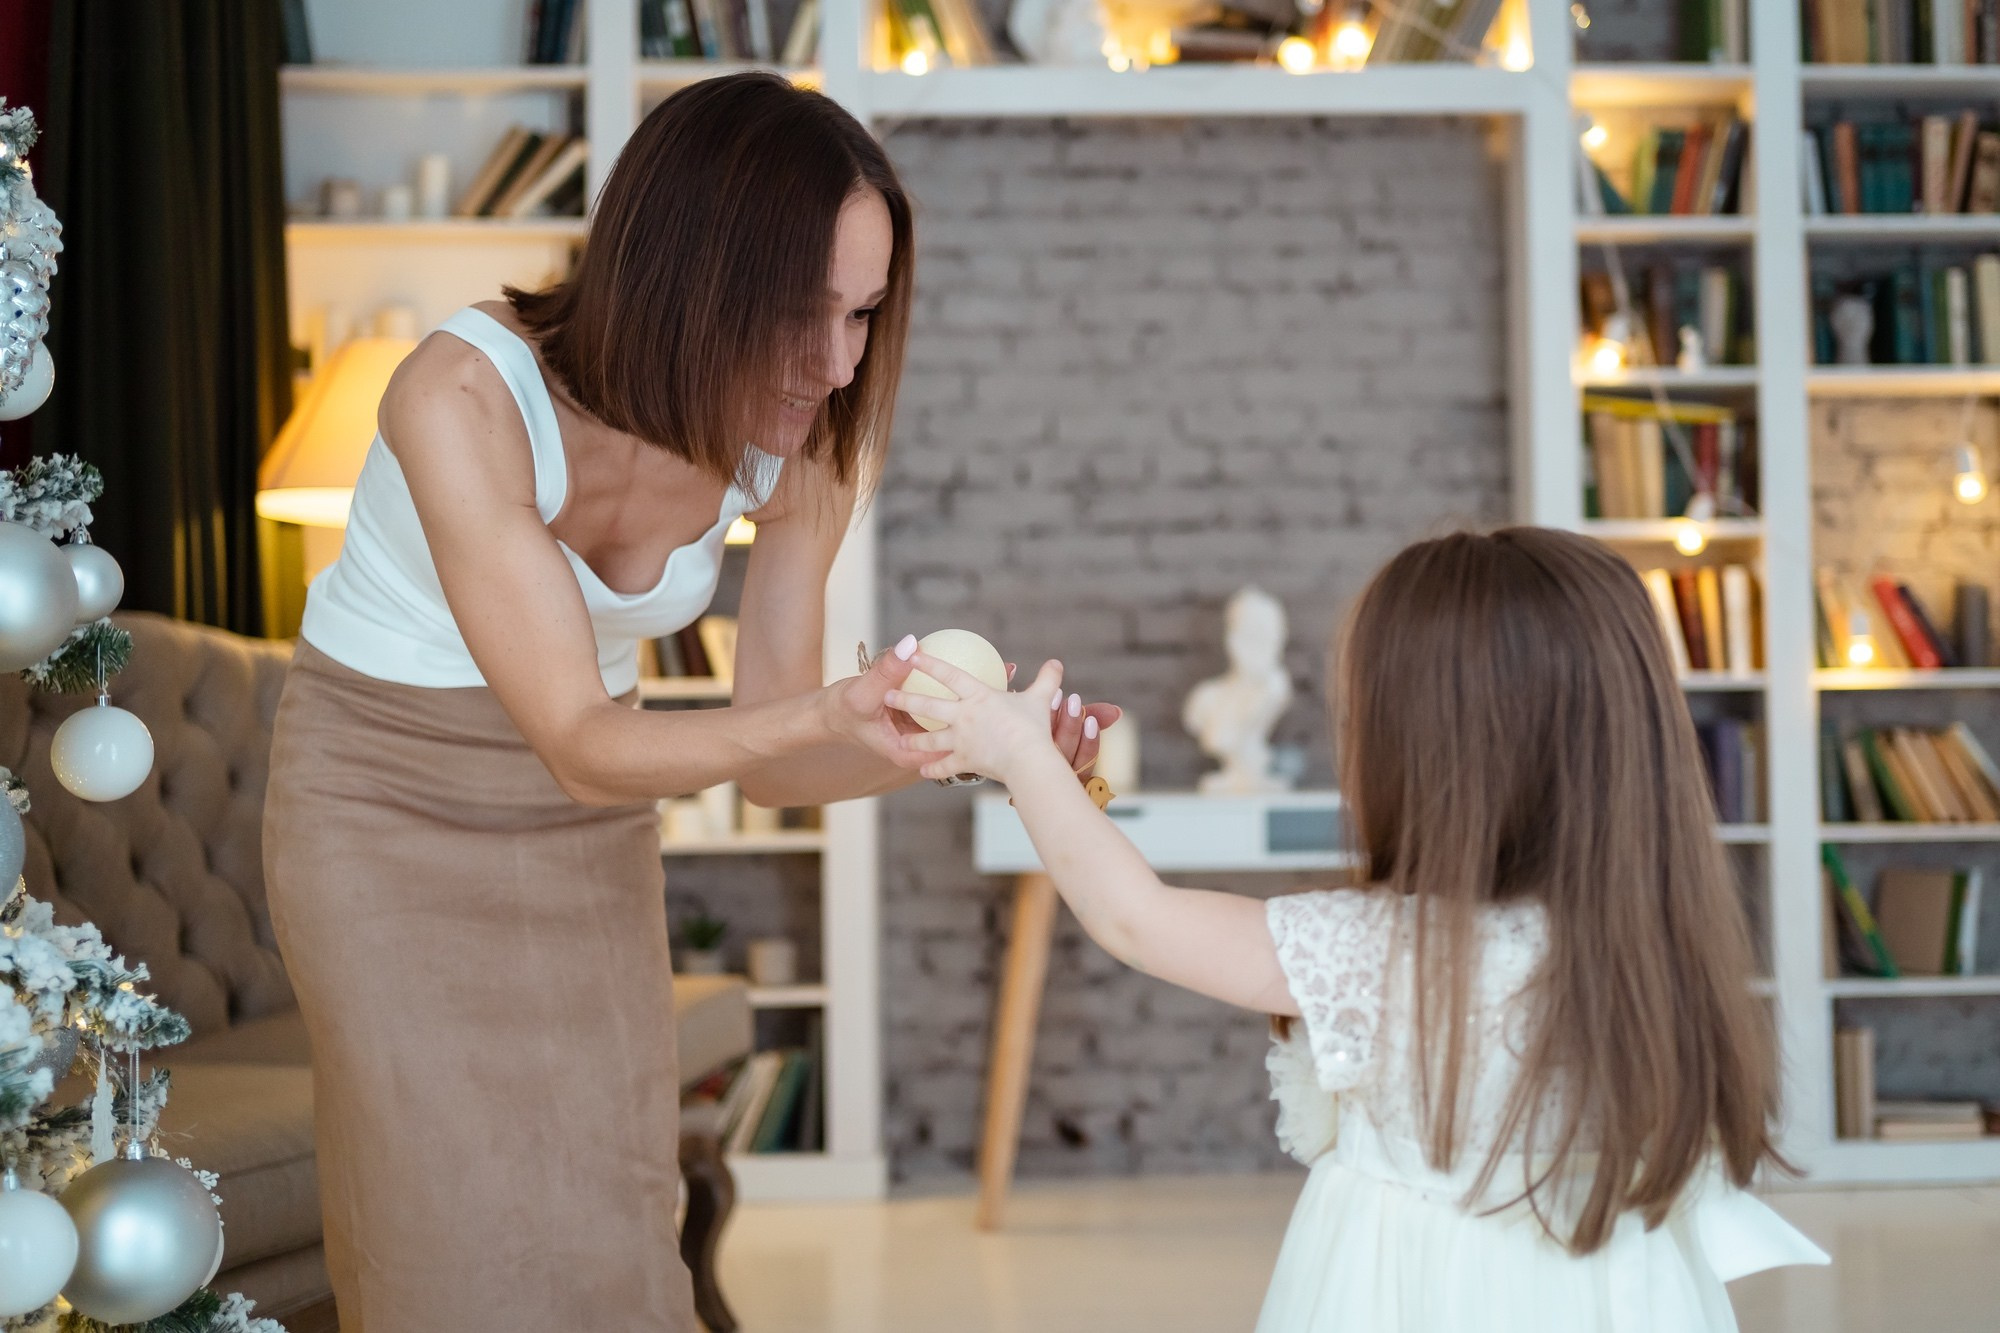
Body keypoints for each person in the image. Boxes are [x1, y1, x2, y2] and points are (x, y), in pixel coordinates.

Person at [262, 74, 1113, 1331]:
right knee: (437, 1222)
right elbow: (583, 738)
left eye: (866, 314)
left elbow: (776, 760)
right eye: (800, 314)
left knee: (613, 1210)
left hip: (585, 826)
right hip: (384, 806)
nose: (836, 364)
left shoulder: (802, 441)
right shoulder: (457, 396)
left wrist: (959, 744)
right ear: (685, 273)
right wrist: (827, 710)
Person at [887, 526, 1830, 1332]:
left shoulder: (1392, 952)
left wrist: (1021, 757)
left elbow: (1135, 919)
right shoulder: (1651, 941)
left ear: (1428, 754)